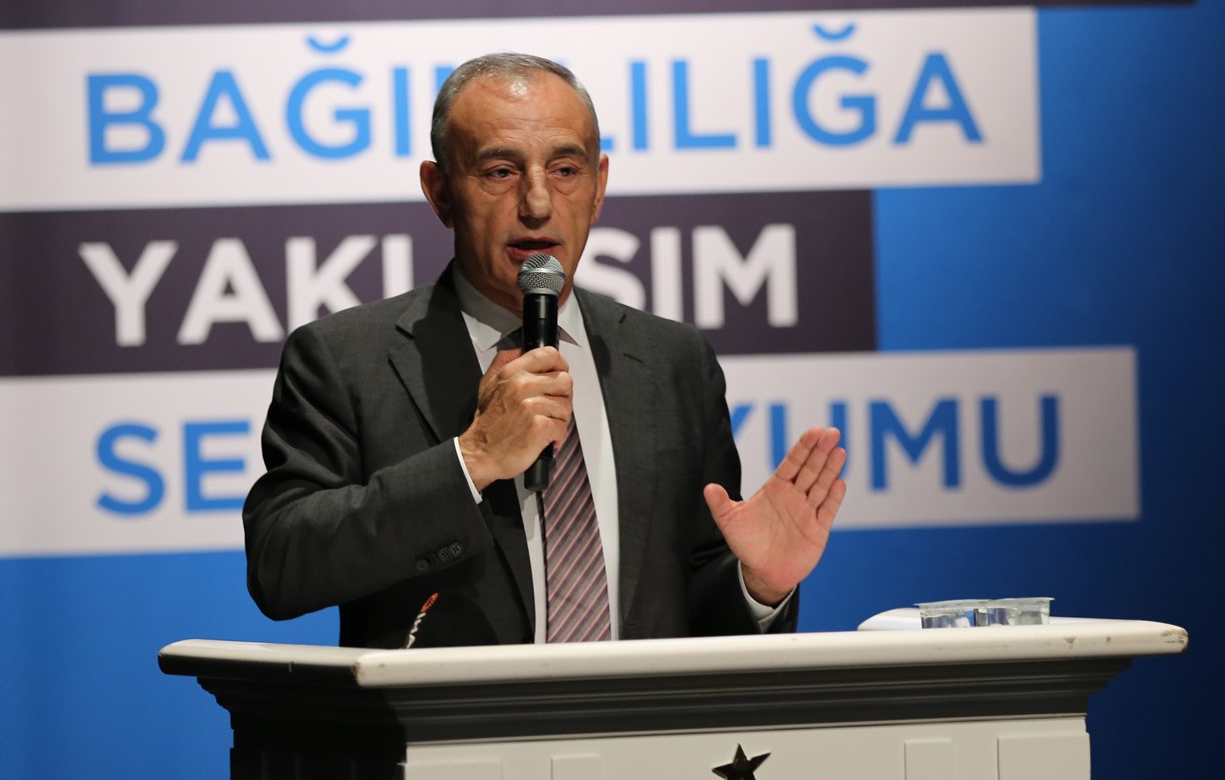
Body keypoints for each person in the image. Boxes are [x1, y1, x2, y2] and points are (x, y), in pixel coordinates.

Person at [244, 52, 847, 648]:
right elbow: (280, 564)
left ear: (599, 185)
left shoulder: (673, 363)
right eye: (500, 171)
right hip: (454, 715)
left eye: (564, 169)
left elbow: (695, 616)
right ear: (440, 191)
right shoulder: (347, 360)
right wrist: (472, 459)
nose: (537, 203)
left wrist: (759, 583)